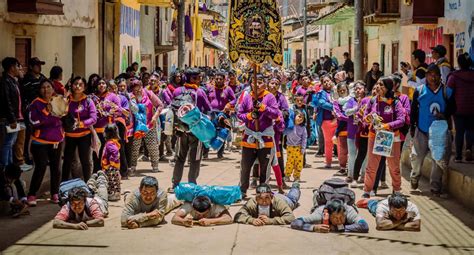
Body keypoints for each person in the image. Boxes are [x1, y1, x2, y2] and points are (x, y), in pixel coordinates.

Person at [410, 64, 454, 196]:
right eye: (430, 75)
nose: (433, 78)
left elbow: (454, 108)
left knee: (437, 159)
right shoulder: (420, 90)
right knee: (417, 157)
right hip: (422, 129)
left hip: (439, 133)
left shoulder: (447, 91)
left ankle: (435, 187)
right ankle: (414, 177)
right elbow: (413, 110)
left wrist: (445, 115)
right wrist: (412, 126)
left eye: (436, 75)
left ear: (440, 77)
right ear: (426, 76)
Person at [237, 74, 279, 198]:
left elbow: (275, 113)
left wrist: (263, 108)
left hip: (264, 137)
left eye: (260, 82)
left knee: (265, 166)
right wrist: (249, 116)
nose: (257, 85)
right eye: (254, 82)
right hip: (250, 135)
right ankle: (243, 190)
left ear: (265, 84)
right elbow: (240, 113)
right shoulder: (247, 97)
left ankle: (263, 191)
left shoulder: (269, 97)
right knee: (245, 165)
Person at [362, 77, 405, 198]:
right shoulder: (372, 101)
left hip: (391, 137)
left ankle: (396, 190)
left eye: (382, 85)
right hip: (375, 136)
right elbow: (365, 116)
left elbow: (401, 120)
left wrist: (386, 126)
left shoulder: (396, 102)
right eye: (378, 84)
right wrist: (368, 118)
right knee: (371, 166)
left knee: (394, 166)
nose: (378, 87)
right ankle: (367, 190)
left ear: (388, 87)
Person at [170, 68, 211, 192]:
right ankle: (192, 185)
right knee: (195, 160)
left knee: (180, 158)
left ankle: (175, 184)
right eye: (197, 77)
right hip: (196, 131)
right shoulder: (199, 92)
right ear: (192, 78)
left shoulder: (177, 91)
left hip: (180, 130)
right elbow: (208, 109)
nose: (199, 80)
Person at [27, 79, 64, 206]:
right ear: (39, 90)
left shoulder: (58, 101)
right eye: (43, 87)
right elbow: (34, 122)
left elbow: (63, 116)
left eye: (49, 87)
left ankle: (55, 193)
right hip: (40, 141)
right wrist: (46, 111)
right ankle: (32, 194)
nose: (46, 89)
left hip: (56, 140)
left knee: (56, 168)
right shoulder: (36, 104)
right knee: (41, 167)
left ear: (53, 89)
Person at [61, 77, 97, 182]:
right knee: (67, 161)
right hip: (68, 136)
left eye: (81, 84)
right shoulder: (66, 100)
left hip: (84, 136)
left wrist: (81, 124)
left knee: (85, 161)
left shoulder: (88, 101)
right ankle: (64, 185)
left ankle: (88, 184)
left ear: (84, 87)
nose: (77, 86)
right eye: (75, 84)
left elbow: (93, 119)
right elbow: (60, 113)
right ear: (71, 85)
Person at [129, 79, 164, 174]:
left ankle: (155, 165)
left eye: (139, 89)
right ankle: (133, 166)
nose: (138, 92)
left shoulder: (149, 93)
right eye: (135, 90)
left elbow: (160, 105)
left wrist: (155, 117)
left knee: (152, 146)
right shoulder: (130, 97)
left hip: (149, 124)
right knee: (135, 147)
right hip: (136, 126)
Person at [91, 78, 123, 172]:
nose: (101, 85)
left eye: (103, 83)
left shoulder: (112, 96)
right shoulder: (93, 98)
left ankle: (111, 174)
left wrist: (112, 111)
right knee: (96, 154)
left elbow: (119, 111)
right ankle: (97, 174)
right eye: (99, 83)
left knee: (110, 152)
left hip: (109, 131)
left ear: (106, 85)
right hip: (95, 131)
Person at [448, 53, 474, 163]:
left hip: (458, 109)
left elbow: (448, 93)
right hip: (472, 109)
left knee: (459, 132)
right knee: (471, 130)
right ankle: (469, 149)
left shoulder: (454, 76)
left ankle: (458, 156)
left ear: (459, 63)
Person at [203, 70, 235, 159]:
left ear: (224, 80)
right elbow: (205, 98)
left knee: (222, 132)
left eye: (220, 79)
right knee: (208, 132)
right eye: (217, 79)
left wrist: (228, 105)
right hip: (211, 114)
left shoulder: (228, 89)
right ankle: (205, 153)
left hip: (223, 114)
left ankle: (220, 154)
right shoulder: (210, 88)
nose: (218, 80)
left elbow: (234, 100)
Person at [291, 199, 369, 233]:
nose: (339, 220)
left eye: (342, 217)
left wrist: (338, 228)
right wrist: (314, 227)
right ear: (328, 215)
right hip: (320, 206)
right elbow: (295, 222)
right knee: (315, 204)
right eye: (335, 218)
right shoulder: (319, 214)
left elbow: (364, 226)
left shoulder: (349, 211)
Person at [0, 57, 22, 169]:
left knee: (11, 143)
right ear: (12, 67)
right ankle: (5, 167)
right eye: (18, 66)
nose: (20, 68)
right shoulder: (5, 81)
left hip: (15, 117)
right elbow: (6, 101)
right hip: (8, 119)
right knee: (7, 143)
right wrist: (12, 119)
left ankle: (9, 166)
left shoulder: (13, 80)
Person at [343, 81, 366, 184]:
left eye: (360, 88)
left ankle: (363, 175)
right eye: (356, 89)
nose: (357, 90)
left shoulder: (368, 100)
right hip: (352, 131)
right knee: (352, 154)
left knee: (363, 155)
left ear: (364, 89)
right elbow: (346, 112)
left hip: (363, 133)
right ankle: (350, 174)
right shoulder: (351, 100)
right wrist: (356, 108)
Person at [312, 75, 336, 168]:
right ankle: (328, 162)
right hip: (326, 121)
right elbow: (321, 103)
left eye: (328, 81)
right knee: (328, 142)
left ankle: (342, 164)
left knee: (340, 141)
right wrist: (334, 107)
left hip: (338, 120)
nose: (327, 83)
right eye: (324, 82)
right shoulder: (322, 93)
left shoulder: (336, 91)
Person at [284, 110, 307, 183]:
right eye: (299, 116)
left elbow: (304, 138)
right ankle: (287, 175)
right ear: (294, 117)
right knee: (289, 163)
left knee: (299, 164)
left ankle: (297, 177)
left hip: (299, 148)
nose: (300, 119)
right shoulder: (290, 125)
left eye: (302, 118)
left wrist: (303, 148)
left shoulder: (303, 128)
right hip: (290, 147)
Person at [333, 82, 351, 176]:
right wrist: (349, 118)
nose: (343, 92)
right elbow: (339, 115)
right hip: (342, 130)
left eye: (344, 90)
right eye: (341, 91)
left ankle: (352, 169)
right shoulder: (336, 103)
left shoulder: (352, 100)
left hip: (352, 129)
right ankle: (343, 168)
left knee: (353, 151)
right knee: (343, 150)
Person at [101, 124, 122, 201]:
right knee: (115, 180)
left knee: (111, 181)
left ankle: (113, 195)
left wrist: (111, 162)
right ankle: (115, 194)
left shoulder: (110, 143)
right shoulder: (113, 142)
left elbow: (115, 151)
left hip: (111, 167)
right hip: (113, 167)